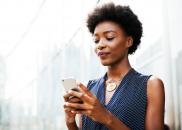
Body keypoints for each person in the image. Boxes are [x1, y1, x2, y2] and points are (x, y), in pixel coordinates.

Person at [63, 2, 165, 130]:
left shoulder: (150, 85)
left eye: (109, 37)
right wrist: (70, 123)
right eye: (96, 40)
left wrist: (106, 117)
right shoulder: (90, 87)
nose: (100, 45)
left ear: (128, 41)